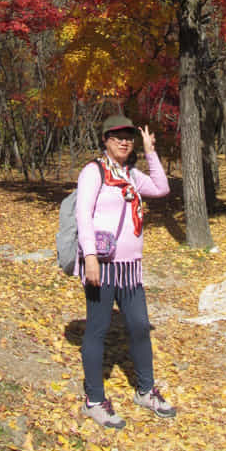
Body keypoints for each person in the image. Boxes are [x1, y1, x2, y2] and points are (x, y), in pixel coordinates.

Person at [75, 113, 176, 429]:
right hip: (101, 267)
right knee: (97, 330)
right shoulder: (94, 172)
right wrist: (89, 256)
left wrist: (150, 151)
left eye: (128, 137)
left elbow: (161, 188)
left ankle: (145, 391)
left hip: (131, 269)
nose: (123, 141)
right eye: (116, 136)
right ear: (105, 140)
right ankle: (94, 400)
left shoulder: (132, 174)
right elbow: (82, 214)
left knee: (140, 326)